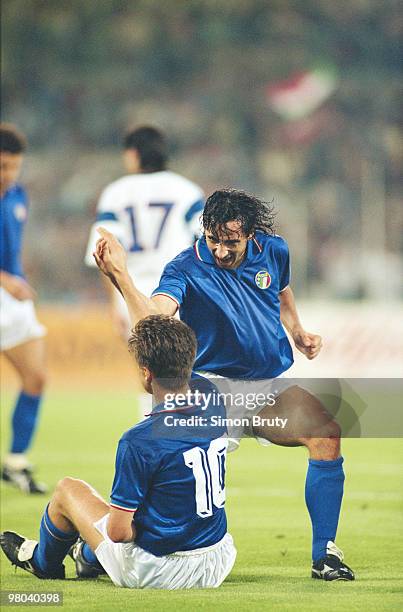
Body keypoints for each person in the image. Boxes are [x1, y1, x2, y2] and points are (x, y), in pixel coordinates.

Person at [91, 188, 355, 582]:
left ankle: (325, 555)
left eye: (230, 242)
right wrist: (122, 278)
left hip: (267, 388)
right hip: (208, 389)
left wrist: (296, 329)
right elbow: (156, 319)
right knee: (172, 475)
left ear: (251, 233)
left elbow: (281, 291)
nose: (220, 250)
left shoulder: (275, 250)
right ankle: (95, 550)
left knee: (326, 434)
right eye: (213, 239)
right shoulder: (184, 267)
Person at [0, 315, 236, 589]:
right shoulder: (214, 400)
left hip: (160, 572)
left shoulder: (138, 440)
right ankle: (86, 557)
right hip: (216, 558)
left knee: (68, 490)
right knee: (157, 500)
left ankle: (43, 561)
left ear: (146, 374)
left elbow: (119, 533)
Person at [85, 125, 204, 339]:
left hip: (130, 291)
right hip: (177, 291)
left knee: (148, 366)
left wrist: (114, 302)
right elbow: (205, 244)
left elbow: (104, 253)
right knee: (184, 365)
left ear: (133, 154)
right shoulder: (186, 190)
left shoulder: (115, 193)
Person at [0, 123, 47, 494]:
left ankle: (15, 462)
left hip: (12, 300)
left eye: (13, 166)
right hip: (5, 288)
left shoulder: (18, 196)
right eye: (1, 166)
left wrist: (15, 278)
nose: (8, 174)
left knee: (36, 378)